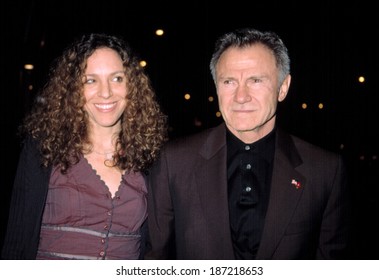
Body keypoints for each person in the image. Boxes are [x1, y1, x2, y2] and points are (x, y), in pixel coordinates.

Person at [145, 27, 350, 260]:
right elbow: (156, 260)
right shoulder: (173, 161)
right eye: (229, 81)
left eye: (255, 80)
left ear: (283, 87)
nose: (241, 97)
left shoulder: (324, 170)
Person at [1, 33, 168, 260]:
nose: (106, 92)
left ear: (133, 85)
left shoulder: (153, 158)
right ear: (73, 90)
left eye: (117, 78)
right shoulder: (44, 149)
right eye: (91, 80)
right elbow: (16, 243)